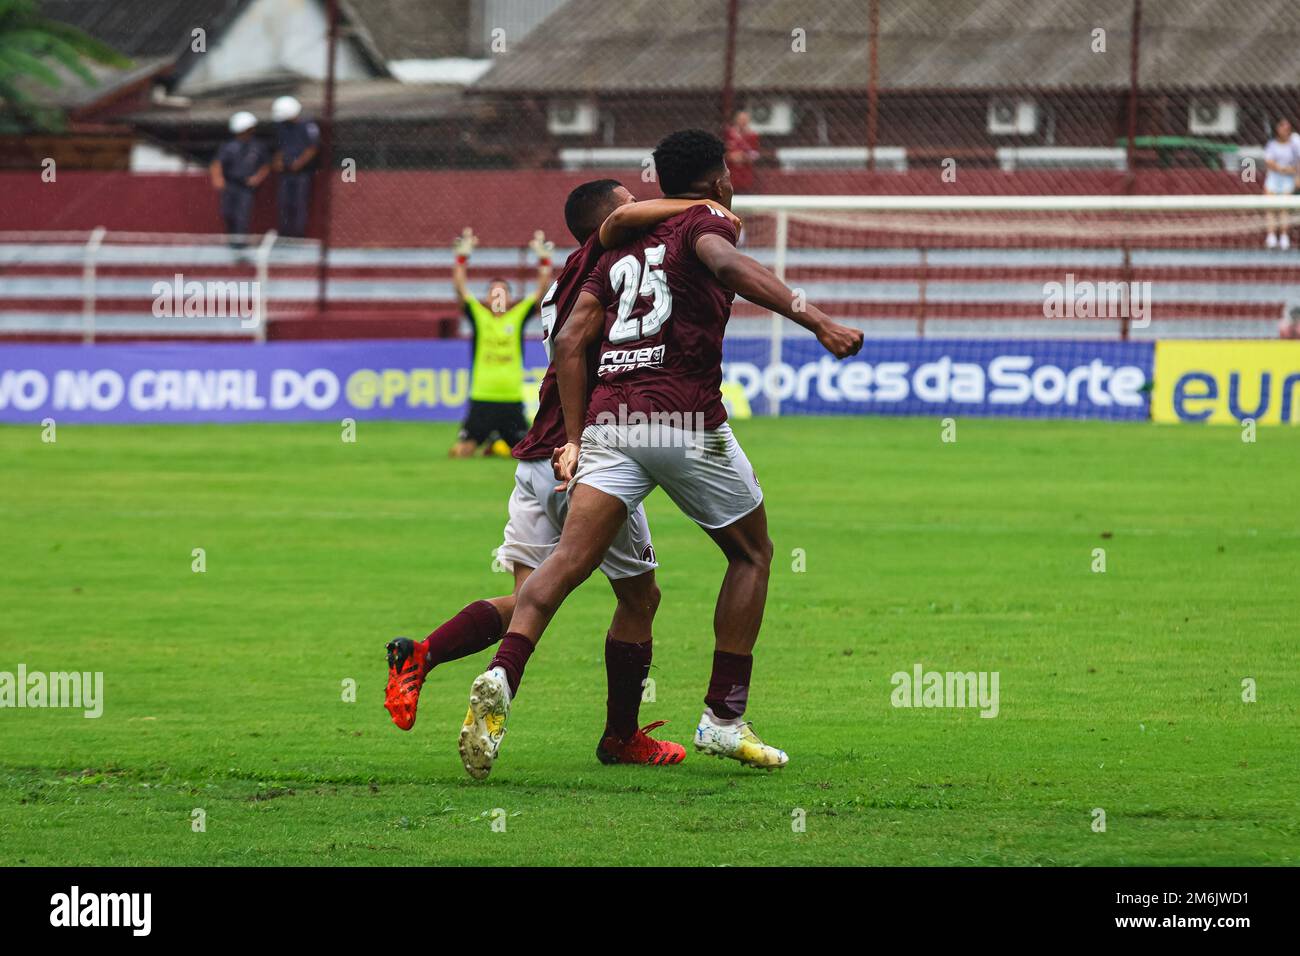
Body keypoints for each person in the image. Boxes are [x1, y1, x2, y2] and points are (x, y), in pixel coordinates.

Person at [456, 129, 863, 780]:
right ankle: (723, 718)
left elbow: (568, 345)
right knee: (751, 553)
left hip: (611, 421)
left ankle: (503, 675)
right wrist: (817, 320)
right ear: (718, 178)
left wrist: (576, 437)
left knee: (561, 566)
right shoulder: (706, 219)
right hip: (681, 416)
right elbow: (729, 267)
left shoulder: (616, 247)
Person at [384, 180, 740, 772]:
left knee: (530, 597)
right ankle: (618, 735)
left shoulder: (566, 281)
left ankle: (421, 653)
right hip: (583, 456)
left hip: (534, 461)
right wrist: (702, 208)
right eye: (630, 202)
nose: (640, 206)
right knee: (640, 595)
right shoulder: (610, 262)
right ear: (613, 219)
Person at [449, 229, 552, 457]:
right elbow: (459, 289)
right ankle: (494, 444)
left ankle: (496, 444)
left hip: (511, 399)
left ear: (509, 298)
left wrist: (544, 260)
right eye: (494, 293)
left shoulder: (517, 316)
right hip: (482, 397)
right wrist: (461, 258)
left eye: (503, 292)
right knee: (461, 453)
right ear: (487, 298)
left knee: (527, 452)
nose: (498, 297)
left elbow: (541, 293)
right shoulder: (479, 315)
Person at [210, 111, 270, 249]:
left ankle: (240, 243)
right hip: (231, 184)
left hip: (246, 187)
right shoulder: (229, 146)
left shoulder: (257, 146)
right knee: (227, 212)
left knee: (242, 214)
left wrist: (257, 178)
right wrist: (218, 179)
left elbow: (266, 165)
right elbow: (217, 163)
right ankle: (231, 240)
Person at [270, 95, 320, 238]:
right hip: (285, 173)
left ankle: (297, 235)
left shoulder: (308, 126)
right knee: (283, 204)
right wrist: (278, 161)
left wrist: (298, 163)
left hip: (302, 173)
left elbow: (313, 148)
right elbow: (280, 147)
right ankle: (284, 234)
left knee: (299, 204)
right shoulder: (282, 127)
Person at [1264, 117, 1300, 249]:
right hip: (1274, 177)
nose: (1286, 130)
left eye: (1288, 128)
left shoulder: (1295, 143)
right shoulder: (1272, 145)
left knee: (1284, 207)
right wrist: (1282, 169)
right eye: (1283, 127)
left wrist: (1297, 175)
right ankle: (1271, 236)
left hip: (1288, 178)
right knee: (1271, 207)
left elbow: (1298, 162)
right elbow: (1269, 162)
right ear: (1277, 129)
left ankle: (1284, 236)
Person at [723, 110, 761, 194]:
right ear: (736, 120)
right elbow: (723, 149)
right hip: (731, 171)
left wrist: (743, 156)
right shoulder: (729, 133)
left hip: (746, 172)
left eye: (745, 119)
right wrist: (730, 156)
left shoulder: (753, 135)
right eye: (740, 119)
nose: (743, 121)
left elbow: (755, 154)